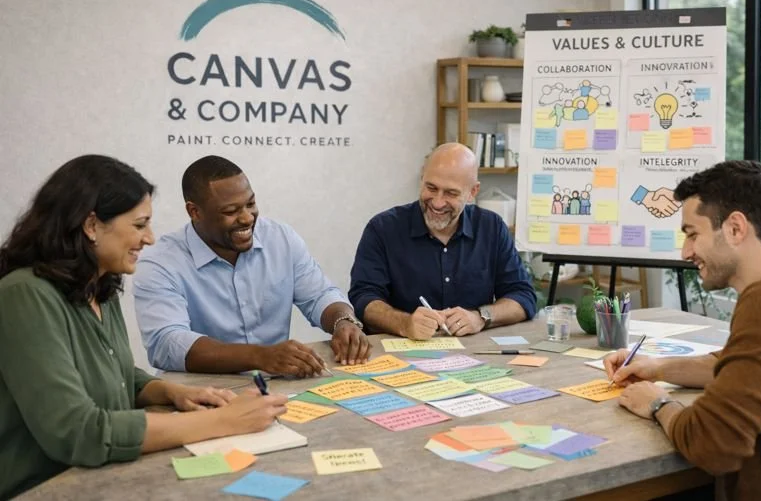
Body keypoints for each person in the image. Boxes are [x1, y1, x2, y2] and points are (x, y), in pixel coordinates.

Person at [0, 155, 287, 499]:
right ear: (91, 226)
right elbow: (79, 433)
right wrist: (223, 422)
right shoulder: (24, 295)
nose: (149, 239)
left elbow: (115, 372)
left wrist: (170, 392)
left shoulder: (100, 286)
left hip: (105, 479)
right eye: (139, 225)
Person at [603, 160, 761, 501]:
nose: (685, 252)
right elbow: (738, 367)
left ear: (736, 228)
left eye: (693, 234)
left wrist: (658, 404)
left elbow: (715, 443)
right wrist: (658, 367)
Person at [133, 155, 371, 378]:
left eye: (251, 204)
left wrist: (343, 321)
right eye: (230, 211)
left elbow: (319, 295)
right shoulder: (160, 262)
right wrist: (259, 356)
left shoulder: (280, 238)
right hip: (198, 394)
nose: (247, 218)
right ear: (194, 211)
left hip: (277, 386)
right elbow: (168, 343)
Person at [348, 143, 536, 339]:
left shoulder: (491, 227)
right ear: (422, 178)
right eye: (431, 188)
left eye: (451, 193)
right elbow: (363, 299)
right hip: (401, 354)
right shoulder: (383, 228)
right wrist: (404, 323)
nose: (437, 202)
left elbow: (523, 297)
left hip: (474, 354)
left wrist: (481, 317)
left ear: (473, 191)